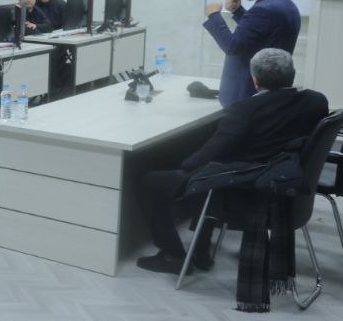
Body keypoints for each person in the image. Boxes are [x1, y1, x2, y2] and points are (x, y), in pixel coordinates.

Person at [136, 49, 328, 275]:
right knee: (209, 170)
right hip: (281, 182)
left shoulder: (245, 109)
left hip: (243, 189)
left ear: (255, 80)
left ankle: (173, 255)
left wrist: (183, 165)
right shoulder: (316, 101)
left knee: (150, 180)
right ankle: (200, 249)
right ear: (293, 74)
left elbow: (213, 150)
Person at [203, 0, 301, 108]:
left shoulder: (263, 10)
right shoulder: (286, 5)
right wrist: (238, 11)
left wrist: (214, 15)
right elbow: (260, 35)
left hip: (247, 99)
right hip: (267, 96)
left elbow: (233, 46)